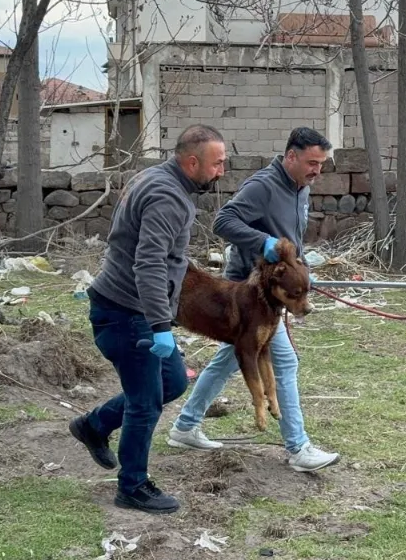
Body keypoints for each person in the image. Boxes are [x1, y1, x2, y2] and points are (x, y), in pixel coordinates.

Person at [69, 124, 227, 515]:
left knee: (171, 382)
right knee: (145, 403)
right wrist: (159, 325)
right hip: (125, 313)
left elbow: (164, 257)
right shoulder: (166, 197)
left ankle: (94, 425)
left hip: (130, 307)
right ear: (192, 162)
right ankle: (133, 486)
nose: (221, 171)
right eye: (217, 164)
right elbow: (150, 262)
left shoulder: (158, 178)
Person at [168, 127, 340, 472]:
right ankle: (298, 447)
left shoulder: (299, 188)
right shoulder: (263, 186)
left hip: (276, 291)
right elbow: (223, 221)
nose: (316, 171)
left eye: (320, 164)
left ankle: (185, 426)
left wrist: (301, 273)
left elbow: (290, 241)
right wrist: (262, 244)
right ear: (290, 156)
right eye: (310, 162)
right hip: (248, 289)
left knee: (230, 359)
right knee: (285, 362)